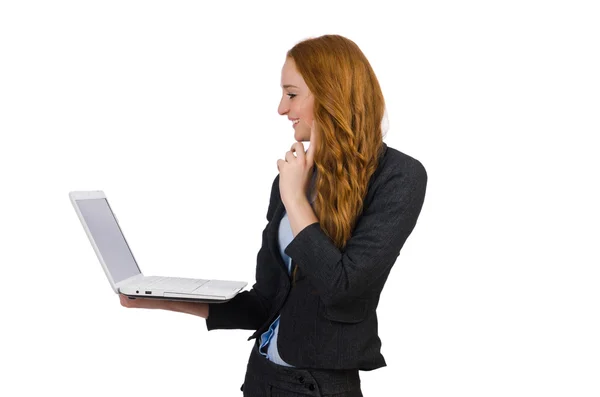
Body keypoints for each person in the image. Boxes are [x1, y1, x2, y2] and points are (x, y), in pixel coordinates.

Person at [120, 34, 428, 397]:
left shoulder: (398, 177)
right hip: (261, 378)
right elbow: (265, 304)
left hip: (318, 386)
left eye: (292, 94)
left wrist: (296, 199)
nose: (282, 108)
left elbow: (343, 288)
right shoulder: (293, 179)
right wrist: (155, 296)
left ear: (332, 94)